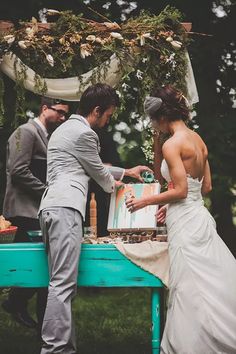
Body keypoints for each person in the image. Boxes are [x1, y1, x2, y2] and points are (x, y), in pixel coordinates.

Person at [38, 83, 152, 354]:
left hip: (50, 207)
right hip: (66, 208)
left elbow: (92, 167)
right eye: (109, 115)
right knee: (62, 284)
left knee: (61, 283)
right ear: (97, 110)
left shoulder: (65, 129)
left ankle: (65, 347)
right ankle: (54, 349)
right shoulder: (85, 134)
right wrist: (127, 188)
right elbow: (101, 178)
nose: (107, 121)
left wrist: (127, 172)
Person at [126, 85, 236, 353]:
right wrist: (172, 203)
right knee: (211, 278)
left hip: (185, 223)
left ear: (161, 117)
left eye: (154, 121)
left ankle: (192, 344)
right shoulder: (198, 140)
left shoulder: (172, 144)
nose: (155, 126)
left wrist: (145, 200)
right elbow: (204, 187)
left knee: (187, 284)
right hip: (198, 215)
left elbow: (180, 189)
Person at [2, 97, 69, 332]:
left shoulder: (49, 137)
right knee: (38, 264)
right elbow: (18, 170)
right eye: (59, 112)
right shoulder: (26, 132)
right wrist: (48, 192)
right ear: (44, 108)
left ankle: (19, 303)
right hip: (25, 210)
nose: (62, 118)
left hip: (38, 210)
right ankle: (16, 301)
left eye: (65, 115)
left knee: (41, 264)